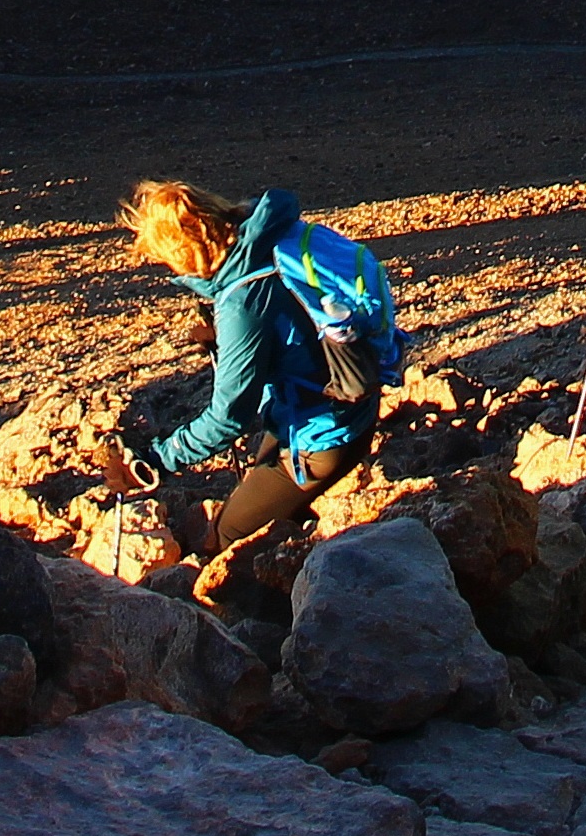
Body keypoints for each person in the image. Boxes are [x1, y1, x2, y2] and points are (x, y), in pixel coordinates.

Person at [114, 181, 398, 601]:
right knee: (265, 493)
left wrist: (154, 461)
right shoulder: (265, 237)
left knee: (230, 537)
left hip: (321, 437)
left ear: (184, 254)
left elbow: (228, 416)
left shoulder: (242, 300)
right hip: (341, 410)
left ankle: (278, 631)